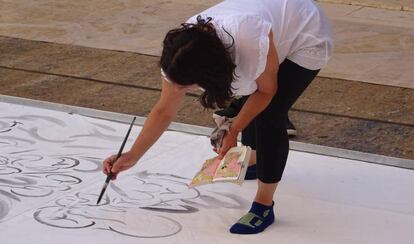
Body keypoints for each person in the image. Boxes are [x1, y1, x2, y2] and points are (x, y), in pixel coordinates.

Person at [103, 0, 333, 235]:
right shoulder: (180, 54)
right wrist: (133, 155)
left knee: (269, 114)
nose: (180, 90)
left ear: (209, 73)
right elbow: (164, 110)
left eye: (188, 86)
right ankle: (254, 160)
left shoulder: (248, 40)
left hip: (305, 31)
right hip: (270, 23)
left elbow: (266, 91)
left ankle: (264, 205)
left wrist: (233, 130)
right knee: (248, 96)